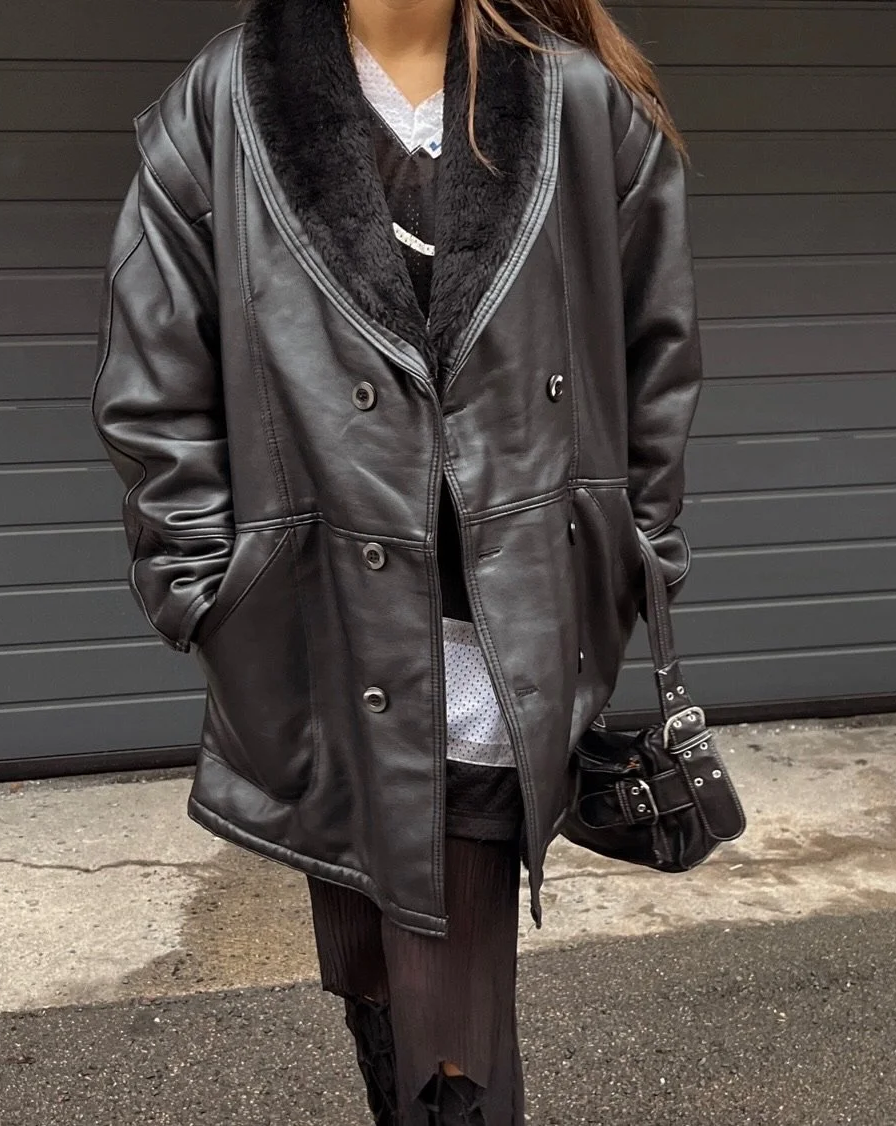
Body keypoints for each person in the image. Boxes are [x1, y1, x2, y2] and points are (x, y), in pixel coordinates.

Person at [90, 0, 702, 1121]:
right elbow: (156, 379)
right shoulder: (230, 99)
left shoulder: (575, 105)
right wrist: (207, 591)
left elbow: (653, 360)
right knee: (370, 969)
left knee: (453, 1033)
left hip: (495, 647)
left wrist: (631, 557)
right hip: (314, 638)